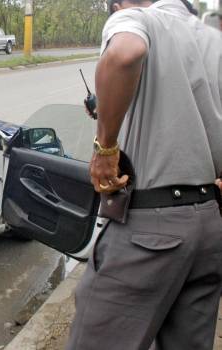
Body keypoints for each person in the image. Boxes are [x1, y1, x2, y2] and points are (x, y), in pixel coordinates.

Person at [66, 0, 222, 349]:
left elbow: (126, 54)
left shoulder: (136, 19)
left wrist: (105, 147)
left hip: (150, 234)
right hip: (210, 229)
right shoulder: (212, 38)